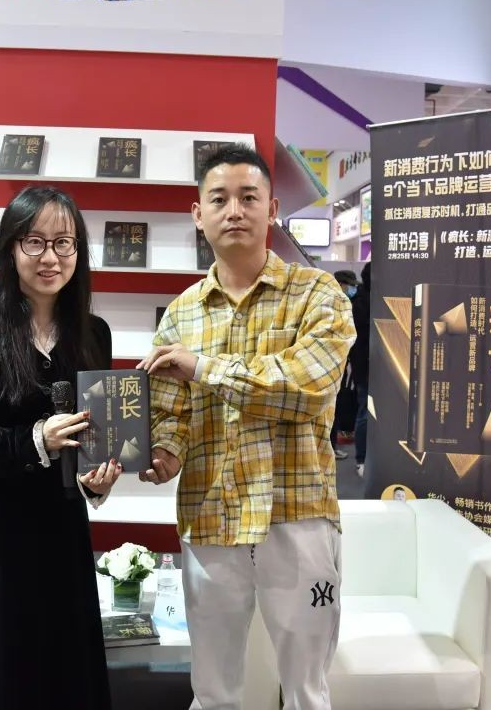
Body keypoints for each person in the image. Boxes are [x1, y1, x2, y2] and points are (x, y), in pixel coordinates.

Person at [139, 145, 356, 709]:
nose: (234, 210)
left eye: (248, 197)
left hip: (298, 514)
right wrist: (163, 454)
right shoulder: (181, 313)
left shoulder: (318, 294)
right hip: (210, 515)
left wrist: (203, 368)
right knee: (213, 689)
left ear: (272, 208)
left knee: (307, 689)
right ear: (198, 214)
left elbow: (307, 387)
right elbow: (173, 414)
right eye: (219, 199)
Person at [0, 186, 120, 709]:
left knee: (60, 669)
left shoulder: (93, 333)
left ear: (78, 252)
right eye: (35, 242)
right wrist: (35, 440)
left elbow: (92, 433)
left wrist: (96, 478)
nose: (50, 257)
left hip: (60, 530)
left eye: (64, 243)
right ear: (10, 248)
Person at [329, 269, 359, 460]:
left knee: (335, 407)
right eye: (350, 285)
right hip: (331, 364)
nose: (352, 289)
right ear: (341, 284)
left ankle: (331, 446)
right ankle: (330, 448)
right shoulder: (333, 304)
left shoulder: (340, 303)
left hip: (337, 362)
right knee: (331, 408)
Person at [351, 262, 372, 476]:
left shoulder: (361, 300)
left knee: (366, 412)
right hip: (365, 367)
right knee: (365, 412)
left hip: (366, 366)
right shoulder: (360, 303)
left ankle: (363, 458)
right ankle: (361, 458)